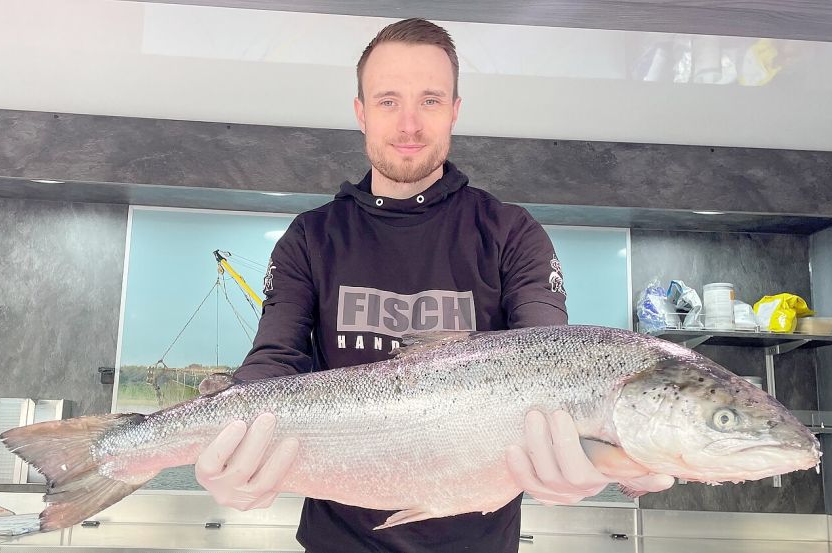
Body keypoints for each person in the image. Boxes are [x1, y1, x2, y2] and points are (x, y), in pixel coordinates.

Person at [195, 17, 674, 553]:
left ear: (454, 110)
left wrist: (641, 463)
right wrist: (229, 449)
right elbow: (273, 363)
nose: (408, 124)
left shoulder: (511, 233)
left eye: (429, 100)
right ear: (360, 112)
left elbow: (554, 360)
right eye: (387, 101)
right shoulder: (311, 237)